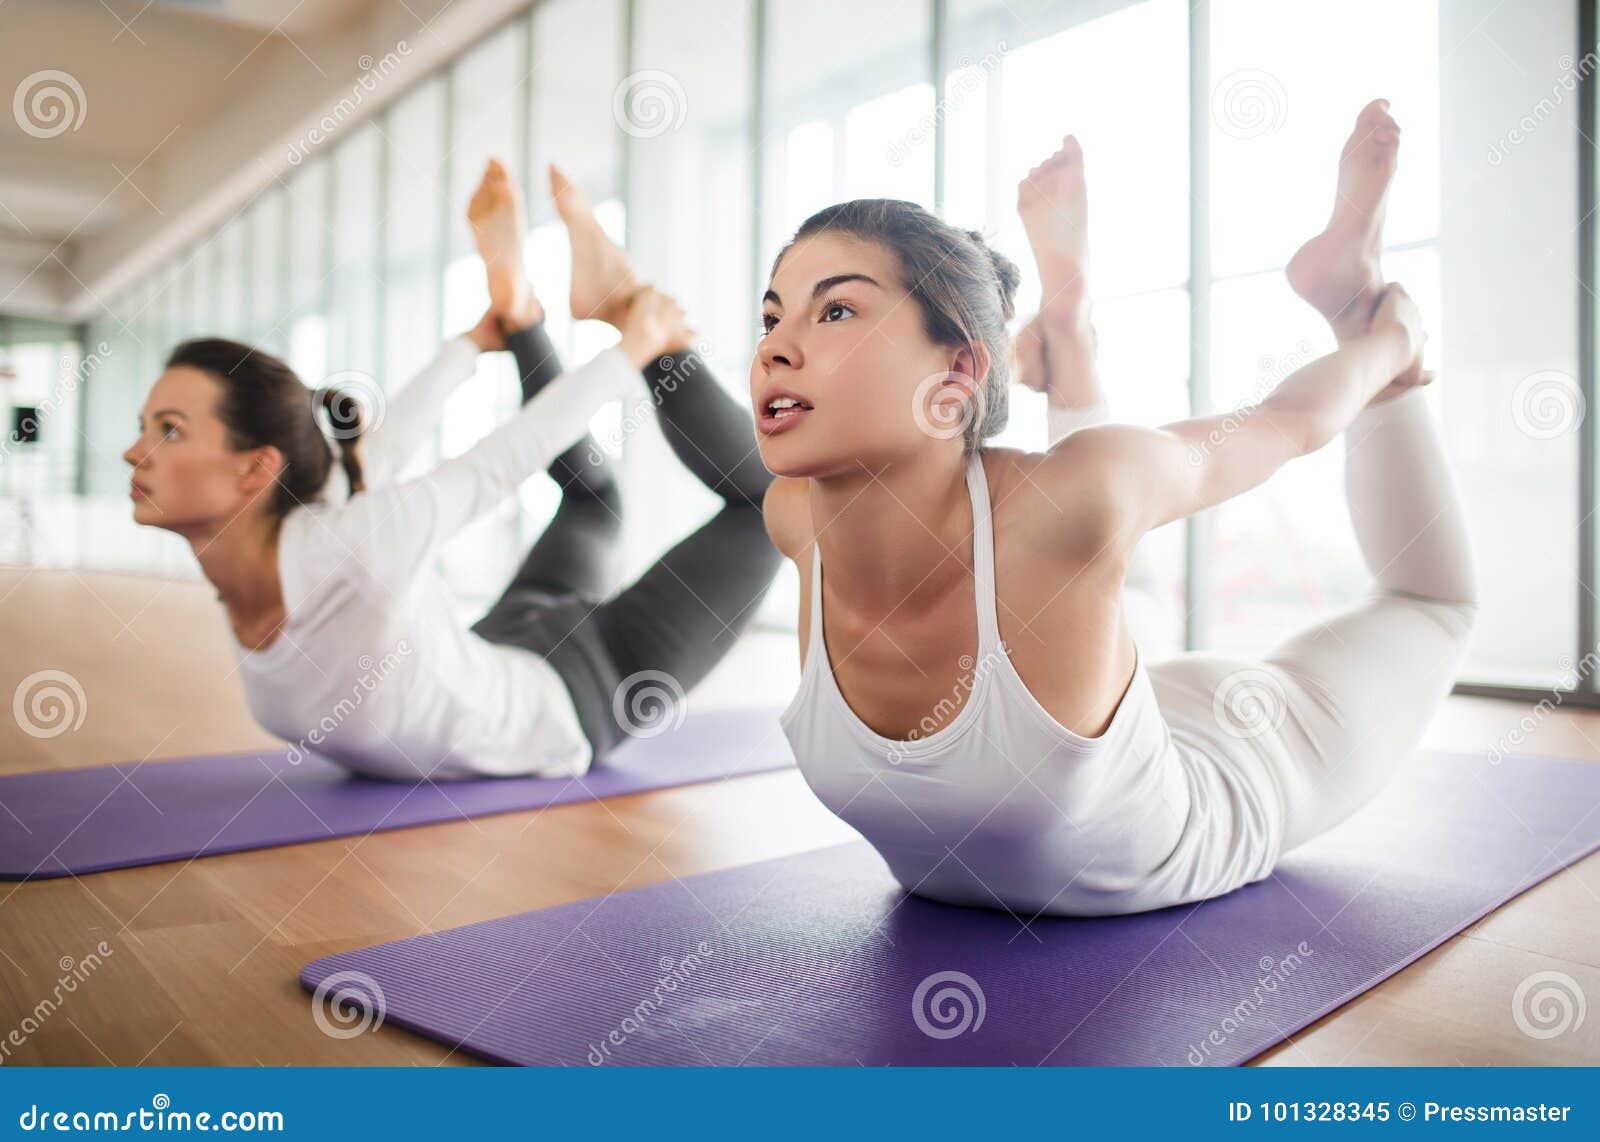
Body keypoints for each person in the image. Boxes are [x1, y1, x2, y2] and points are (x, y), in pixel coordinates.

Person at [759, 100, 1478, 916]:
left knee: (1434, 606)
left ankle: (1350, 301)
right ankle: (1069, 332)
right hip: (1098, 705)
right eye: (772, 315)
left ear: (957, 374)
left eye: (837, 310)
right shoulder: (794, 520)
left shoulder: (1076, 494)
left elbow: (1287, 424)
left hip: (1222, 768)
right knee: (1084, 559)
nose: (776, 346)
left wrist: (1389, 345)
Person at [123, 160, 779, 780]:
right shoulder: (317, 529)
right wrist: (474, 342)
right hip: (503, 645)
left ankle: (631, 313)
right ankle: (534, 313)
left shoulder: (348, 545)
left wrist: (640, 347)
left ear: (255, 469)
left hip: (592, 683)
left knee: (767, 507)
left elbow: (509, 455)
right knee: (594, 505)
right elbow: (373, 457)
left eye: (168, 430)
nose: (135, 452)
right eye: (146, 428)